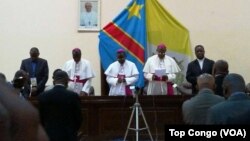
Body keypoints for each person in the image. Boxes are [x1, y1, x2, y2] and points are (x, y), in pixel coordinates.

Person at [38, 70, 83, 141]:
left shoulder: (43, 96)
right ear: (66, 80)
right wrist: (73, 130)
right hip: (68, 135)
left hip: (49, 135)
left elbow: (41, 118)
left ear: (54, 81)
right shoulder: (73, 96)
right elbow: (78, 118)